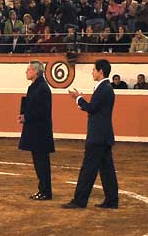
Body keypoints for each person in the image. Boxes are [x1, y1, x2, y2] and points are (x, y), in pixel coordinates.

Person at [64, 59, 119, 209]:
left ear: (101, 71)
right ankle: (112, 200)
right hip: (103, 135)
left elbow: (92, 107)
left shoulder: (104, 88)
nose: (92, 72)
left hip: (98, 136)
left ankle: (80, 200)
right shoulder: (106, 88)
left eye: (94, 70)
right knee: (107, 170)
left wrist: (78, 98)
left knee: (88, 169)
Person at [18, 61, 55, 201]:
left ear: (36, 71)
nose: (26, 72)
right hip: (37, 131)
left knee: (41, 163)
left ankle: (45, 191)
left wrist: (26, 116)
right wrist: (23, 115)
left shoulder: (42, 88)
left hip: (40, 132)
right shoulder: (36, 87)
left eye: (28, 69)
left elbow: (42, 111)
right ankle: (43, 190)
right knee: (40, 162)